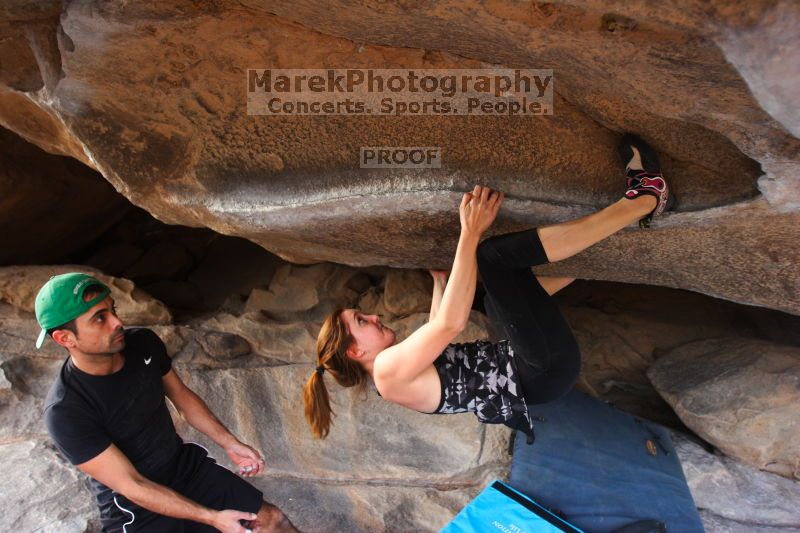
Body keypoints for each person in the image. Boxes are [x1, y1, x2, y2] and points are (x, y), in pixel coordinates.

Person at [303, 134, 674, 441]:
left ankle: (594, 258)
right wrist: (470, 233)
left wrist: (439, 282)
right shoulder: (385, 370)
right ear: (354, 351)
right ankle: (646, 197)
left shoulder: (392, 371)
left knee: (493, 305)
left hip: (540, 373)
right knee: (493, 258)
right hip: (541, 369)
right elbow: (449, 325)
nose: (373, 315)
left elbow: (439, 332)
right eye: (361, 322)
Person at [37, 273, 299, 532]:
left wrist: (230, 443)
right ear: (64, 338)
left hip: (183, 468)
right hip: (135, 507)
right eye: (99, 319)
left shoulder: (142, 344)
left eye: (112, 310)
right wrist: (212, 518)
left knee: (272, 521)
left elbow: (182, 397)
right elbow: (133, 485)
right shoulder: (66, 411)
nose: (117, 322)